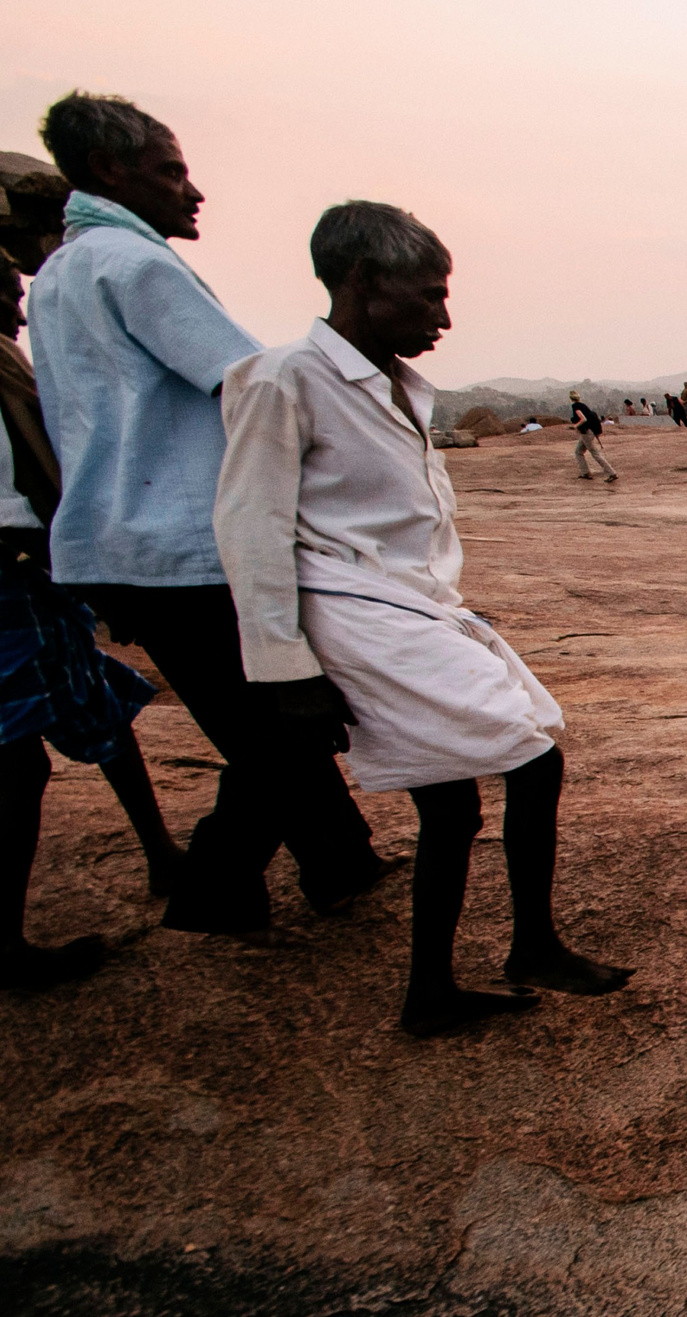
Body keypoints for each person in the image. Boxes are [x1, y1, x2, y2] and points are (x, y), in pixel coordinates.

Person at [214, 200, 631, 1037]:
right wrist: (284, 667)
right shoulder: (285, 379)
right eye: (429, 295)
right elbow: (249, 527)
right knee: (532, 755)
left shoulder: (395, 387)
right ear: (364, 281)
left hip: (414, 607)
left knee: (451, 805)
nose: (443, 316)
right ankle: (532, 944)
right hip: (355, 611)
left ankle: (431, 991)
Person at [29, 90, 386, 936]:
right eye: (171, 171)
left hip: (116, 538)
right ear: (110, 171)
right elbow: (247, 381)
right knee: (282, 721)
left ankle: (340, 857)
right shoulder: (135, 264)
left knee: (258, 717)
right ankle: (220, 884)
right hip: (185, 539)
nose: (191, 191)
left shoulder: (56, 276)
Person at [2, 252, 186, 987]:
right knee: (16, 758)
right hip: (16, 575)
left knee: (100, 703)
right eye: (6, 293)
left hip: (32, 575)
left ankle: (161, 850)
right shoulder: (4, 367)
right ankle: (7, 944)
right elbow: (31, 475)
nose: (18, 310)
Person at [567, 390, 617, 482]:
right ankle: (585, 472)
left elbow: (583, 419)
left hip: (586, 433)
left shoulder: (575, 406)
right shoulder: (583, 405)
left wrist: (575, 426)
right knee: (578, 451)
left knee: (595, 453)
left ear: (571, 399)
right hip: (589, 432)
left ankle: (611, 473)